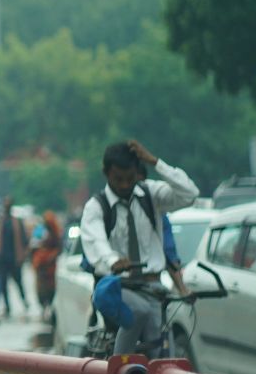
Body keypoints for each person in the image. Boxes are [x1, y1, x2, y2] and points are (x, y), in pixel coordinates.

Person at [79, 140, 198, 356]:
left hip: (153, 288)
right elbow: (96, 243)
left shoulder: (150, 195)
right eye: (118, 179)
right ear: (106, 173)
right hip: (117, 288)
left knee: (160, 350)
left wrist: (155, 162)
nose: (125, 185)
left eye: (130, 178)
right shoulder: (96, 207)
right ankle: (117, 368)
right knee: (139, 311)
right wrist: (113, 260)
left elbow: (189, 194)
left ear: (137, 173)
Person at [0, 196, 31, 319]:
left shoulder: (17, 222)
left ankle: (25, 304)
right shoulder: (1, 221)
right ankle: (7, 307)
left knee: (19, 283)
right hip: (3, 259)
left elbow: (24, 240)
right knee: (3, 285)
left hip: (15, 258)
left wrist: (23, 254)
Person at [29, 210, 65, 322]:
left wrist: (51, 256)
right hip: (41, 267)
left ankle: (50, 309)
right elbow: (34, 244)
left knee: (50, 289)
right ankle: (44, 308)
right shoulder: (41, 231)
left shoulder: (56, 233)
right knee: (41, 290)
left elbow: (58, 248)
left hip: (49, 268)